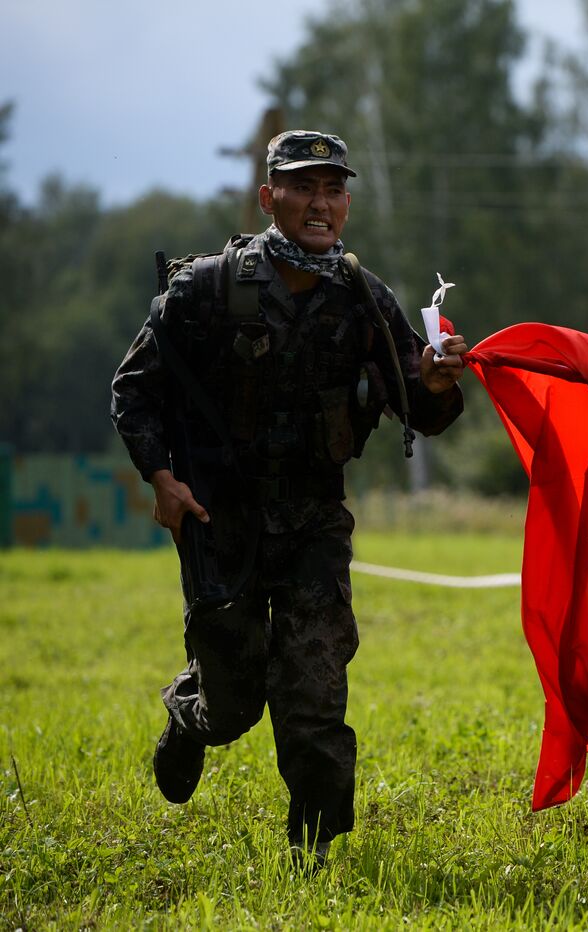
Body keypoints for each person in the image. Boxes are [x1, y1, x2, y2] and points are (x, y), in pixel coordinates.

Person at [111, 130, 467, 866]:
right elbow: (135, 390)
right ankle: (191, 714)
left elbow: (420, 407)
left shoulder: (365, 299)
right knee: (235, 700)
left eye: (334, 189)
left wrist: (436, 382)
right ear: (269, 197)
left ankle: (316, 854)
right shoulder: (208, 287)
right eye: (303, 187)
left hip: (313, 522)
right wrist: (161, 478)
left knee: (314, 691)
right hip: (220, 520)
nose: (320, 203)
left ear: (347, 204)